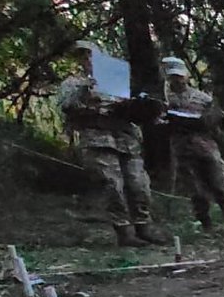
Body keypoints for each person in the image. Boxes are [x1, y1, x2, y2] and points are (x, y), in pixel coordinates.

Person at [57, 41, 169, 247]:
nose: (88, 60)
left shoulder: (116, 80)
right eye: (83, 56)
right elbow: (66, 106)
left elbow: (134, 105)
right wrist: (85, 89)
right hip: (97, 139)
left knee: (139, 184)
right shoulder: (73, 83)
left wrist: (143, 108)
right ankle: (124, 232)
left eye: (91, 55)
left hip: (126, 138)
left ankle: (144, 227)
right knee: (112, 185)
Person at [163, 56, 224, 232]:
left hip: (206, 147)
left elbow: (223, 122)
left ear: (186, 76)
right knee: (197, 192)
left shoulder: (203, 98)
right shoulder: (165, 99)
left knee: (220, 186)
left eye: (180, 76)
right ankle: (206, 225)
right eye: (173, 77)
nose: (177, 80)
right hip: (182, 149)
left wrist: (216, 118)